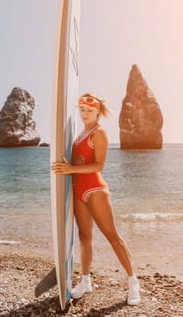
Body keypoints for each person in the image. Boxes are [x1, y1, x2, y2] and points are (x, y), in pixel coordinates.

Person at [51, 92, 141, 306]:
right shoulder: (80, 132)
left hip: (94, 190)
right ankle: (85, 281)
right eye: (82, 110)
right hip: (78, 190)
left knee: (112, 235)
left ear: (97, 111)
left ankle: (133, 282)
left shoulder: (99, 133)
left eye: (89, 110)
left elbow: (99, 165)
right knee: (84, 237)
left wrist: (71, 168)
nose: (84, 114)